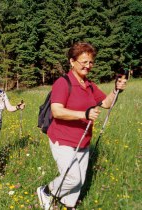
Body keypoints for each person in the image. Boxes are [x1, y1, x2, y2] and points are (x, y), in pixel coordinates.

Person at [37, 42, 127, 210]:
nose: (88, 66)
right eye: (84, 61)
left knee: (79, 180)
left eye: (91, 62)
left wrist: (116, 90)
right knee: (73, 178)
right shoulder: (63, 83)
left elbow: (106, 104)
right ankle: (46, 191)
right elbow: (57, 111)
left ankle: (68, 205)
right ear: (72, 61)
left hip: (83, 140)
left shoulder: (89, 85)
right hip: (63, 139)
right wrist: (84, 114)